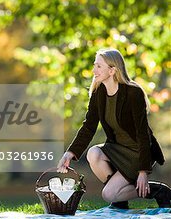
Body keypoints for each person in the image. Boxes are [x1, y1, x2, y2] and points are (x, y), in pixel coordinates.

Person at [57, 49, 171, 209]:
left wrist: (143, 171)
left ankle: (156, 190)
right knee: (93, 153)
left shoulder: (133, 93)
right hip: (117, 149)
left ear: (112, 70)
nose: (94, 70)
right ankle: (120, 198)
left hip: (138, 152)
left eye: (98, 66)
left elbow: (143, 133)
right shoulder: (98, 92)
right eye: (94, 65)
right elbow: (88, 126)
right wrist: (70, 153)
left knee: (108, 194)